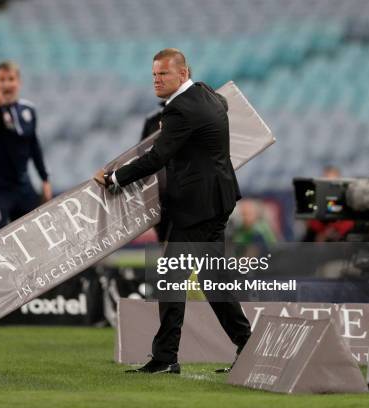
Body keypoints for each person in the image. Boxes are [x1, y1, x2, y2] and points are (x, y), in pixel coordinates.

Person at [95, 48, 251, 374]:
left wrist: (115, 178)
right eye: (153, 74)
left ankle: (166, 357)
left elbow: (157, 158)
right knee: (212, 279)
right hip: (218, 198)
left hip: (197, 207)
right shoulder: (208, 93)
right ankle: (248, 346)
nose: (156, 80)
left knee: (171, 276)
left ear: (181, 74)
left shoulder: (180, 108)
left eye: (162, 74)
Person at [0, 61, 52, 236]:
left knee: (34, 236)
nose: (6, 84)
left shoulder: (28, 109)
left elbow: (33, 145)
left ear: (18, 82)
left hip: (21, 185)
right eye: (1, 80)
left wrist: (45, 179)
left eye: (10, 79)